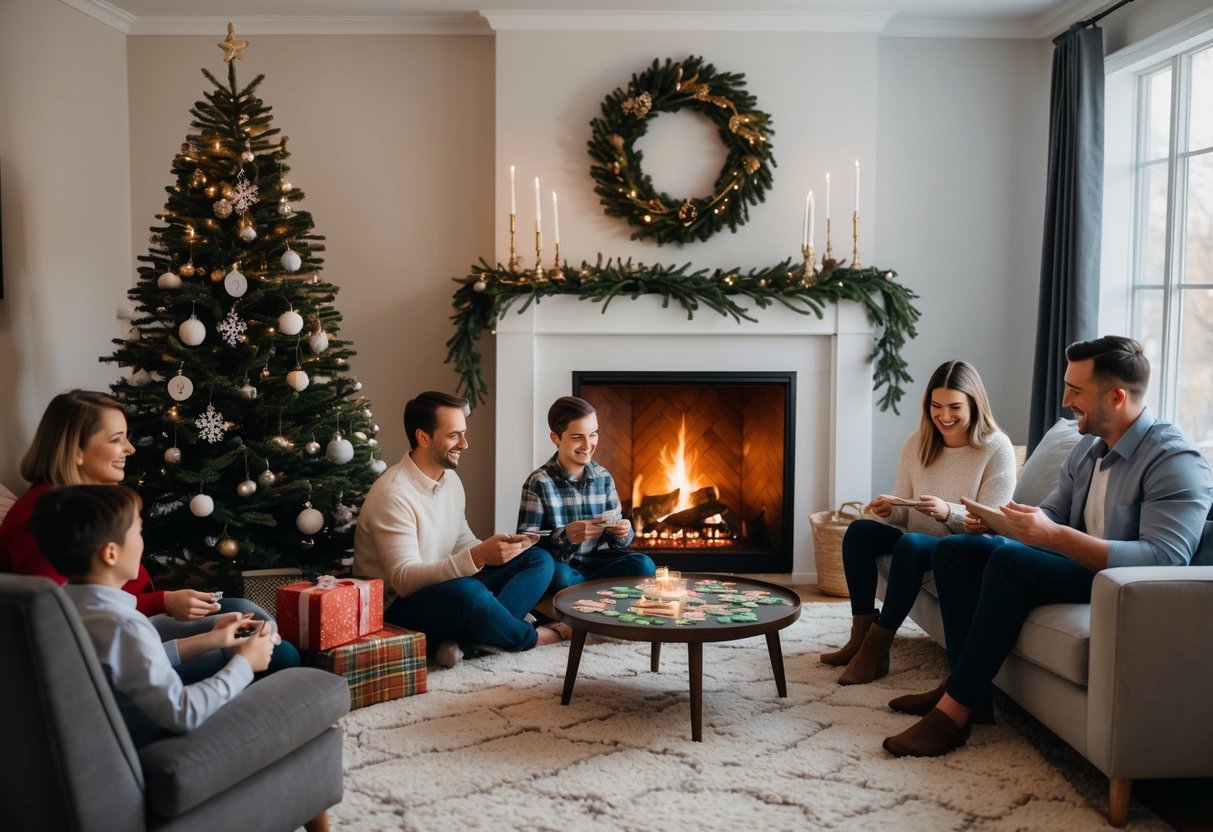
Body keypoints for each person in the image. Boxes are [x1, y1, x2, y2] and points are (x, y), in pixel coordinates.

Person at [883, 336, 1212, 757]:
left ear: (1116, 396)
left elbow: (1165, 559)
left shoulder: (1173, 460)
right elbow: (1053, 513)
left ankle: (954, 711)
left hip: (1120, 584)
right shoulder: (1088, 451)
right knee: (956, 551)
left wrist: (1055, 537)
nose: (1065, 399)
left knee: (1010, 563)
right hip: (1074, 563)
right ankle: (969, 692)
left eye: (1076, 391)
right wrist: (1010, 521)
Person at [0, 390, 299, 680]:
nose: (130, 449)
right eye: (117, 440)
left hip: (135, 625)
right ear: (76, 451)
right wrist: (163, 601)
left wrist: (163, 602)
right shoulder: (44, 517)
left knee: (245, 613)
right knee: (279, 653)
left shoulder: (87, 500)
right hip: (112, 650)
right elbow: (73, 614)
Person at [30, 484, 275, 747]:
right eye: (137, 531)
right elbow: (182, 713)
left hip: (99, 741)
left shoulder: (65, 607)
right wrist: (245, 664)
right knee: (307, 690)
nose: (142, 540)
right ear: (111, 553)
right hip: (154, 743)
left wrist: (212, 639)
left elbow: (131, 662)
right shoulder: (124, 624)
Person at [821, 360, 1015, 685]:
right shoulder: (917, 442)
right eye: (936, 406)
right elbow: (905, 514)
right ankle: (859, 635)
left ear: (975, 405)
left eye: (955, 407)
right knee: (859, 532)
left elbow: (991, 524)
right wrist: (889, 509)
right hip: (917, 539)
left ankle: (876, 647)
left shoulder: (996, 448)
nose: (944, 416)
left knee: (911, 543)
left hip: (960, 547)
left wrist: (948, 513)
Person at [353, 391, 565, 668]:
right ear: (423, 437)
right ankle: (536, 636)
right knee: (469, 594)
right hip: (397, 608)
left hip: (445, 587)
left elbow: (460, 539)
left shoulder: (449, 478)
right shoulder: (393, 493)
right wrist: (478, 557)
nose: (465, 443)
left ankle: (468, 644)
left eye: (463, 433)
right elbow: (403, 580)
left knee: (538, 560)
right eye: (455, 435)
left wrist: (498, 549)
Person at [517, 396, 655, 596]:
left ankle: (580, 595)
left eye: (593, 434)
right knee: (560, 576)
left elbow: (618, 542)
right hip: (562, 568)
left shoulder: (604, 477)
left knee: (643, 564)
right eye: (577, 437)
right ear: (555, 438)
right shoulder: (539, 482)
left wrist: (623, 532)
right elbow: (524, 544)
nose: (588, 444)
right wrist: (565, 535)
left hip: (600, 565)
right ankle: (596, 595)